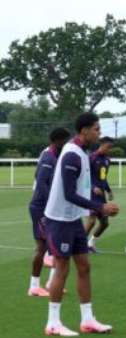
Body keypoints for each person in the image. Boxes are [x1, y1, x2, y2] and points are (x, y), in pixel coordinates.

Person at [43, 112, 120, 336]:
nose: (99, 133)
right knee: (62, 268)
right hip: (60, 219)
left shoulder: (83, 152)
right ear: (84, 131)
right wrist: (100, 207)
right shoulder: (72, 155)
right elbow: (68, 193)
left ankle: (87, 320)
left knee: (84, 266)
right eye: (96, 129)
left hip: (73, 218)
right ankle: (53, 323)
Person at [27, 127, 71, 297]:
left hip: (49, 208)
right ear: (56, 141)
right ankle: (34, 287)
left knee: (55, 245)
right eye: (65, 141)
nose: (67, 144)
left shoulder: (56, 157)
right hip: (41, 208)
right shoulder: (48, 158)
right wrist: (52, 202)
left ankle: (52, 282)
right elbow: (41, 183)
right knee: (42, 247)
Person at [84, 136, 115, 253]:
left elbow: (103, 178)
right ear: (101, 145)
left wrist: (109, 190)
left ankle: (90, 243)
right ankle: (79, 245)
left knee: (104, 223)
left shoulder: (107, 160)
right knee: (91, 221)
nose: (109, 150)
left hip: (101, 195)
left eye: (111, 148)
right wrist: (93, 187)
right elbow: (84, 175)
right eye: (108, 147)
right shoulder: (91, 158)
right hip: (91, 194)